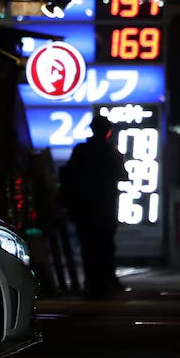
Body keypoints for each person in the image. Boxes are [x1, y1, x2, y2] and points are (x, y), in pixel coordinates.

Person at [58, 115, 124, 299]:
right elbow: (122, 174)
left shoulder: (81, 151)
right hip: (105, 209)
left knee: (88, 247)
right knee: (106, 246)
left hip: (84, 209)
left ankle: (92, 282)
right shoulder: (111, 152)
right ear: (108, 132)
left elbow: (68, 176)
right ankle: (107, 279)